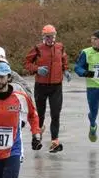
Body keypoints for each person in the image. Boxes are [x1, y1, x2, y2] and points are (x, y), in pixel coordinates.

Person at [24, 25, 70, 153]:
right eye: (48, 36)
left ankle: (55, 141)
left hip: (56, 86)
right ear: (43, 37)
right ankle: (38, 136)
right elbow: (26, 63)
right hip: (41, 86)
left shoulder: (60, 47)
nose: (50, 39)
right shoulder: (37, 49)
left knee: (56, 114)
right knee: (41, 114)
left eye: (52, 36)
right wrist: (37, 69)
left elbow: (64, 59)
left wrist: (66, 70)